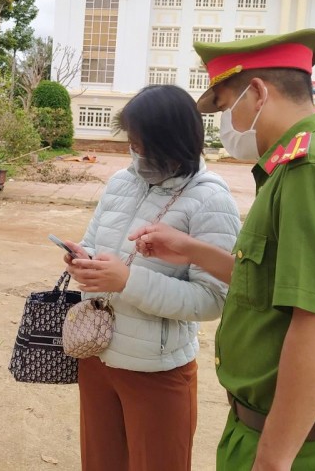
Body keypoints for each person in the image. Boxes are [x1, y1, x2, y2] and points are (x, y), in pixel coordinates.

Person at [129, 29, 315, 470]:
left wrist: (271, 460)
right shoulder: (293, 168)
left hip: (298, 449)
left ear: (257, 92)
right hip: (264, 431)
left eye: (226, 106)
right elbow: (275, 282)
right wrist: (193, 249)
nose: (224, 122)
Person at [62, 84, 241, 471]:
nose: (136, 152)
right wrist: (83, 261)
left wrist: (127, 281)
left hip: (155, 370)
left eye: (144, 144)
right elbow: (94, 241)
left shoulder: (211, 200)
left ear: (174, 142)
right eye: (133, 142)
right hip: (97, 354)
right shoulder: (121, 183)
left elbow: (213, 299)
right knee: (100, 462)